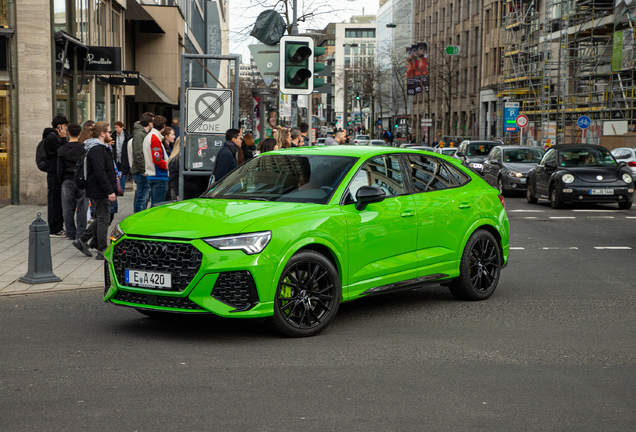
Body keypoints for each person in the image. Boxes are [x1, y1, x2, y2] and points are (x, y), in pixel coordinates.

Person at [72, 122, 117, 260]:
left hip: (99, 188)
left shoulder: (100, 148)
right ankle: (101, 249)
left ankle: (83, 241)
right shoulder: (96, 149)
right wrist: (109, 191)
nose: (111, 134)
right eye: (109, 132)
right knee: (104, 218)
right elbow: (99, 172)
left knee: (103, 217)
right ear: (102, 134)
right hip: (99, 189)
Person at [56, 123, 87, 241]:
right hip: (81, 180)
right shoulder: (84, 149)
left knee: (67, 209)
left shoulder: (62, 150)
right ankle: (81, 233)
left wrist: (62, 180)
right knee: (82, 208)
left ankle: (70, 232)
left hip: (67, 180)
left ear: (68, 133)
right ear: (79, 134)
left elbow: (59, 169)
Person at [42, 115, 69, 237]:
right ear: (60, 126)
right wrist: (63, 139)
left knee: (58, 200)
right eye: (64, 127)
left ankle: (58, 227)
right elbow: (64, 151)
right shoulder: (52, 137)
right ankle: (54, 229)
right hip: (54, 173)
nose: (66, 130)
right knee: (54, 201)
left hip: (57, 172)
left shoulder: (54, 136)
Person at [143, 115, 169, 207]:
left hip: (153, 175)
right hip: (158, 175)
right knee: (158, 206)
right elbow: (157, 159)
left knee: (155, 204)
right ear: (164, 126)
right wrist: (168, 166)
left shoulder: (149, 137)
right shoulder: (155, 138)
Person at [131, 112, 154, 213]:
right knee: (142, 198)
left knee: (143, 198)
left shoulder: (144, 133)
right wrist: (144, 169)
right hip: (141, 171)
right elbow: (138, 153)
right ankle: (138, 219)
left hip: (143, 170)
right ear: (149, 122)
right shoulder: (140, 134)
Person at [113, 121, 130, 190]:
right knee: (115, 174)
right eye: (115, 128)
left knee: (123, 174)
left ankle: (121, 189)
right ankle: (116, 188)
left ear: (122, 127)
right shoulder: (113, 136)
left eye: (118, 127)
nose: (116, 129)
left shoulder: (126, 136)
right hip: (116, 158)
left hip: (123, 158)